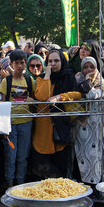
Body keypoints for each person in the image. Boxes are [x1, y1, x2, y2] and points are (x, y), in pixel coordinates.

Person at [32, 49, 81, 179]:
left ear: (62, 61)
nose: (53, 64)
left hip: (60, 129)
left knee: (60, 170)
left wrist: (59, 97)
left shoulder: (68, 76)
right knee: (42, 170)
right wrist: (47, 75)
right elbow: (43, 96)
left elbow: (77, 94)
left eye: (56, 61)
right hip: (43, 130)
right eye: (50, 61)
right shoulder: (41, 78)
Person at [0, 50, 35, 186]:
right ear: (12, 64)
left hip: (26, 123)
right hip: (11, 125)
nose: (20, 66)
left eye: (23, 63)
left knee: (23, 157)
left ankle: (20, 185)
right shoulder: (6, 81)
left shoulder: (29, 80)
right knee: (10, 156)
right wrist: (3, 127)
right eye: (17, 63)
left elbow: (34, 98)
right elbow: (2, 105)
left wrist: (33, 100)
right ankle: (9, 185)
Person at [73, 56, 104, 184]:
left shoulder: (101, 82)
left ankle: (94, 184)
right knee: (80, 155)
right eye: (85, 67)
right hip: (80, 123)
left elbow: (93, 95)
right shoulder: (77, 79)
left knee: (94, 156)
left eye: (91, 67)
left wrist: (87, 83)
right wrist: (85, 82)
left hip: (95, 125)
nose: (88, 70)